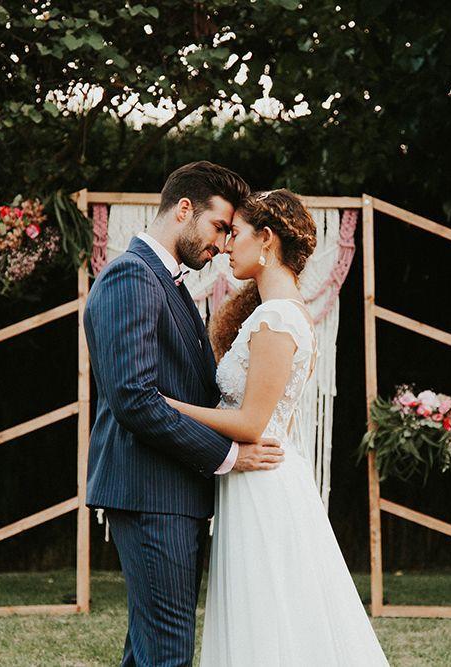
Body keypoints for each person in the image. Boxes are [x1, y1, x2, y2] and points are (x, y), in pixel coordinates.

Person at [164, 189, 389, 666]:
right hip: (254, 481)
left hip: (262, 486)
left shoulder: (278, 318)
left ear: (266, 239)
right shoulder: (275, 313)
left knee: (265, 616)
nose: (226, 246)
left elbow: (250, 422)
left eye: (236, 234)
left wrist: (169, 407)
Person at [83, 161, 285, 667]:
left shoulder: (168, 284)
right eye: (219, 227)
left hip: (173, 493)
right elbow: (134, 399)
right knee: (167, 653)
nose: (220, 245)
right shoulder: (131, 276)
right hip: (152, 493)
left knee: (151, 650)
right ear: (185, 209)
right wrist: (227, 455)